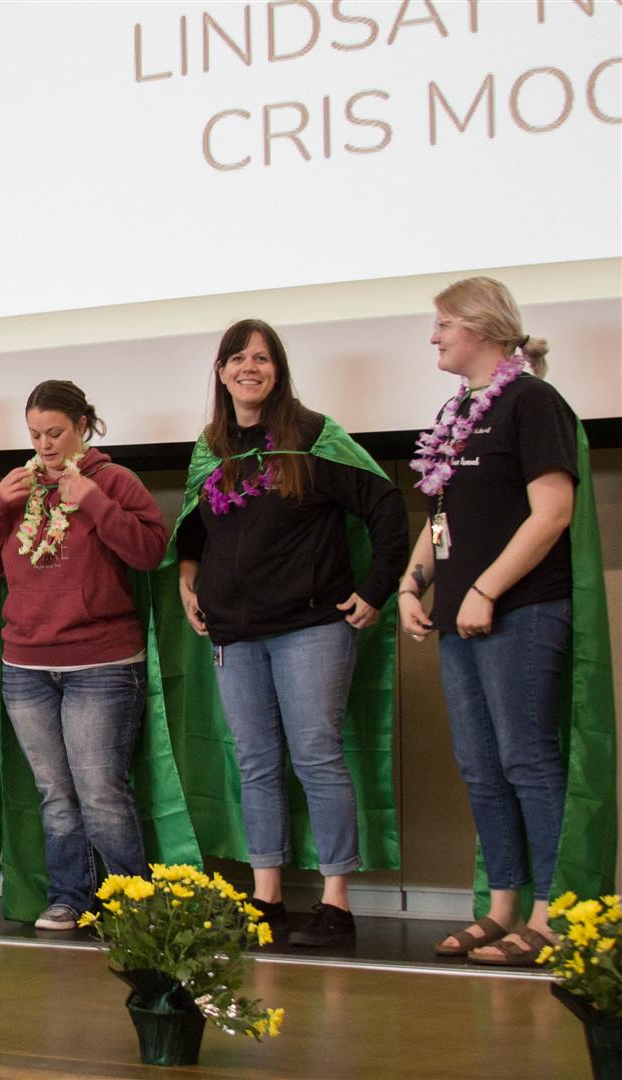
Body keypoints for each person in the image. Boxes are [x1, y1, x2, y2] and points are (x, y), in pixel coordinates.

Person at [174, 320, 406, 947]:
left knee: (316, 756)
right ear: (221, 371)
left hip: (310, 628)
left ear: (278, 369)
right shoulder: (211, 446)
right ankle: (266, 899)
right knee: (254, 764)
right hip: (234, 633)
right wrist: (187, 581)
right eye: (237, 358)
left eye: (263, 358)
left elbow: (386, 505)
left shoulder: (313, 435)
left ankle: (336, 904)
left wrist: (378, 589)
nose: (250, 367)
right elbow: (194, 530)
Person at [401, 278, 583, 966]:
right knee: (480, 767)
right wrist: (413, 582)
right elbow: (439, 515)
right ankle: (503, 907)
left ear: (481, 326)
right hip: (460, 616)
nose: (435, 336)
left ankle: (552, 915)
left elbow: (552, 513)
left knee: (528, 759)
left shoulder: (532, 402)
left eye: (444, 323)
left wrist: (483, 589)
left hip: (524, 610)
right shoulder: (459, 410)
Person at [0, 380, 166, 931]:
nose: (45, 444)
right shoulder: (23, 486)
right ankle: (69, 896)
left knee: (101, 790)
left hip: (100, 664)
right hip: (26, 665)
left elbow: (151, 550)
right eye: (34, 434)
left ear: (83, 426)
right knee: (54, 793)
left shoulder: (114, 480)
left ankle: (133, 906)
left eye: (55, 432)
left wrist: (95, 502)